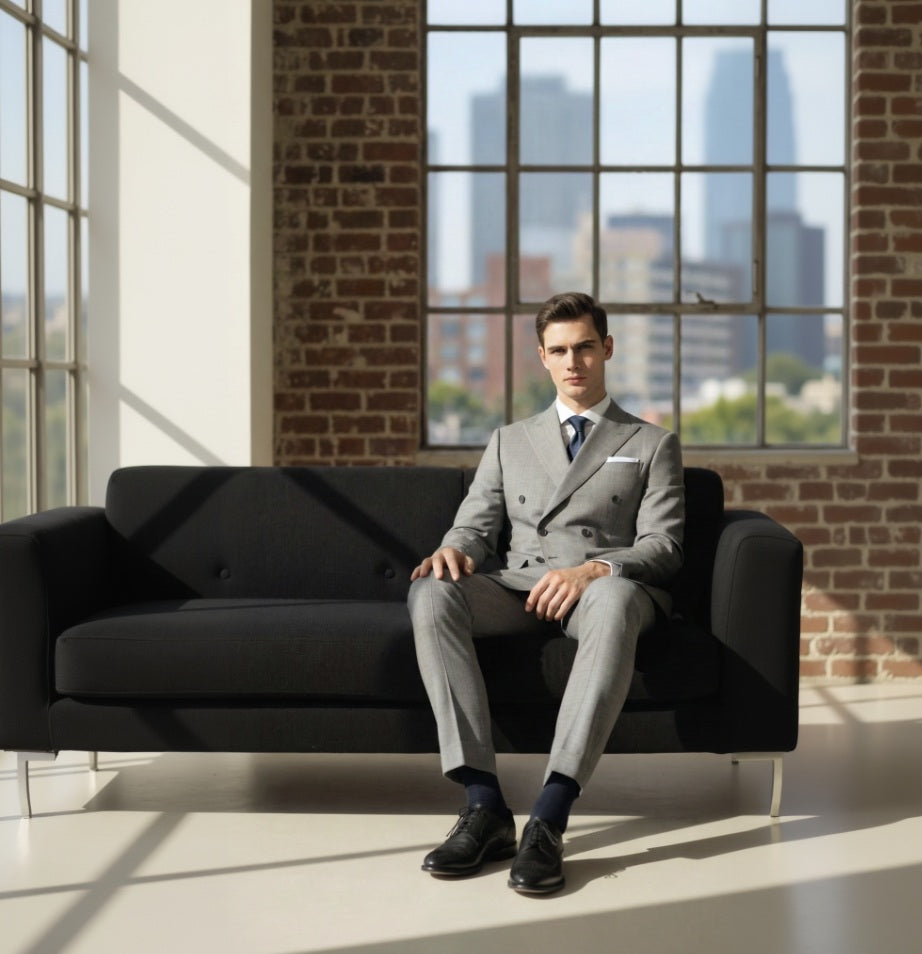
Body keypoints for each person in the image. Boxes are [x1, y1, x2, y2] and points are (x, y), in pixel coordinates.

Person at [408, 291, 685, 894]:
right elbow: (474, 525)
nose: (572, 362)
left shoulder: (650, 442)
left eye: (584, 347)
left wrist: (594, 570)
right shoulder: (509, 440)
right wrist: (456, 549)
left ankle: (550, 816)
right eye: (558, 351)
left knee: (615, 599)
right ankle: (483, 805)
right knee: (431, 590)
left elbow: (664, 546)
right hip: (521, 587)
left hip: (601, 592)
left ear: (606, 348)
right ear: (542, 357)